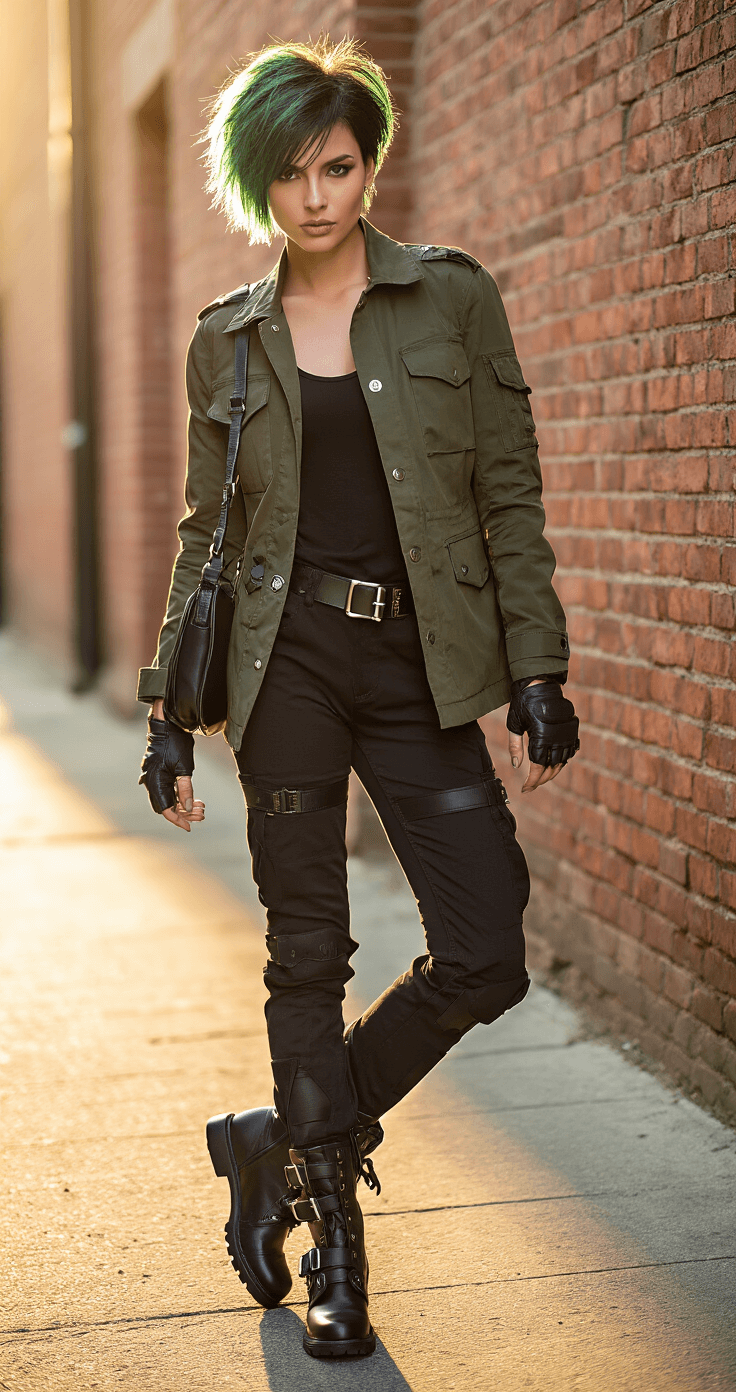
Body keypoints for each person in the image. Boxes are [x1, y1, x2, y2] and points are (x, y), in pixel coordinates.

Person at [138, 36, 579, 1360]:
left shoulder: (450, 302)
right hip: (285, 673)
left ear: (369, 163)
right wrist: (169, 710)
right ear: (256, 184)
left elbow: (508, 488)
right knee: (307, 958)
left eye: (336, 167)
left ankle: (284, 1140)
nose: (316, 198)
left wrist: (538, 660)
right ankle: (334, 1242)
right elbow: (202, 533)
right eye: (288, 175)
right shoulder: (227, 341)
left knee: (487, 946)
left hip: (415, 667)